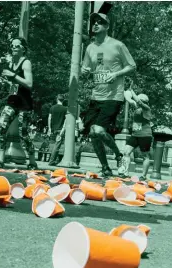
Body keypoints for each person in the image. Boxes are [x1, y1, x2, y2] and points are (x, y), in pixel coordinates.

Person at [81, 12, 136, 177]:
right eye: (94, 22)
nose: (96, 24)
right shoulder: (90, 47)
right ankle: (105, 167)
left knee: (98, 130)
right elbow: (87, 69)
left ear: (107, 26)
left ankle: (119, 155)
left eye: (100, 22)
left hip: (113, 96)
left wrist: (116, 74)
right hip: (96, 96)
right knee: (92, 133)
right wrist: (84, 71)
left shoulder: (117, 45)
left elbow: (132, 66)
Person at [0, 37, 38, 170]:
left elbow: (29, 83)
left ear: (23, 49)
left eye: (17, 46)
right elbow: (13, 86)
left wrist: (13, 76)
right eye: (12, 46)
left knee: (24, 134)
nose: (14, 48)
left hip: (24, 104)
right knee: (1, 127)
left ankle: (32, 162)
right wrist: (8, 83)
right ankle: (0, 160)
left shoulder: (26, 63)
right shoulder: (10, 64)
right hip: (12, 101)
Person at [119, 88, 153, 180]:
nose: (137, 101)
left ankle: (143, 176)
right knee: (126, 152)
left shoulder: (146, 108)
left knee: (145, 156)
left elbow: (137, 101)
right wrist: (126, 91)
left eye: (140, 100)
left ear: (144, 101)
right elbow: (129, 99)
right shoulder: (136, 108)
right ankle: (124, 172)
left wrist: (132, 91)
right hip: (135, 135)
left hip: (145, 135)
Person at [48, 94, 68, 166]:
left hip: (53, 129)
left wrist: (49, 128)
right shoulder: (65, 109)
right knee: (57, 146)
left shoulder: (52, 108)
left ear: (57, 99)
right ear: (64, 100)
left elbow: (49, 118)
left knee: (53, 145)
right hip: (60, 129)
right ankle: (51, 161)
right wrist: (63, 129)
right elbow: (66, 120)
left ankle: (52, 160)